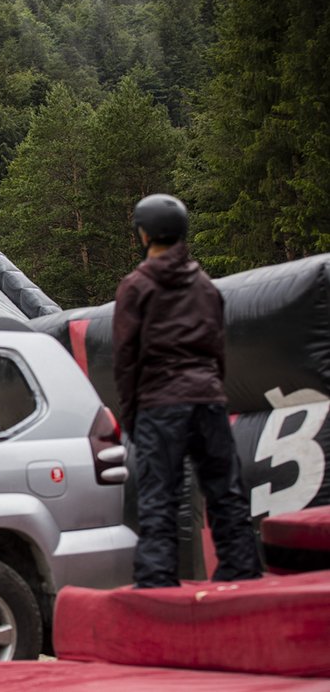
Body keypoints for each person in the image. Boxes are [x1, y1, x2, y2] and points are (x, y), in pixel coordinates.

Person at [112, 193, 262, 588]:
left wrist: (130, 414)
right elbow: (217, 349)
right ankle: (242, 572)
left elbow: (126, 358)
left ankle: (158, 580)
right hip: (208, 399)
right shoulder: (206, 286)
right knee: (226, 491)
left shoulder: (135, 286)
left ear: (143, 234)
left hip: (160, 403)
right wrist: (214, 393)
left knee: (160, 495)